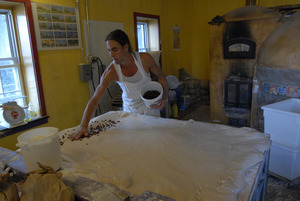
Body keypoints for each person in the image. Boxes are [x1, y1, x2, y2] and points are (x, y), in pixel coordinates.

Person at [70, 29, 169, 140]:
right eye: (109, 50)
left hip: (151, 109)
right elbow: (94, 100)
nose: (111, 54)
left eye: (115, 50)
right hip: (131, 114)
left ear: (125, 47)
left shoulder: (144, 59)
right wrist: (83, 126)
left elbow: (161, 76)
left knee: (155, 142)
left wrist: (165, 98)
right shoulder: (111, 71)